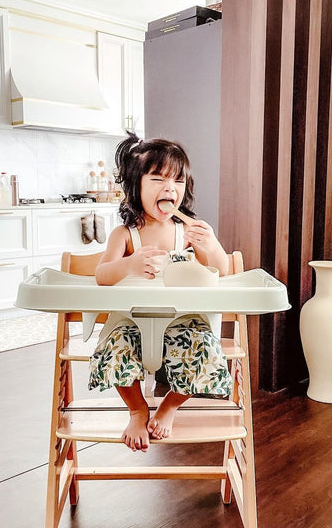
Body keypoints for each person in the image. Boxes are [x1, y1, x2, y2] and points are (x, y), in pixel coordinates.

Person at [88, 132, 233, 452]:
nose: (170, 188)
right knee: (114, 346)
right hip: (131, 320)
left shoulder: (189, 234)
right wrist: (128, 266)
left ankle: (169, 406)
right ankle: (137, 409)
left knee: (206, 351)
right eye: (158, 178)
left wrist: (212, 245)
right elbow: (101, 275)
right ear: (134, 187)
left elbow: (222, 272)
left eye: (178, 181)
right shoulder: (124, 235)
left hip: (183, 323)